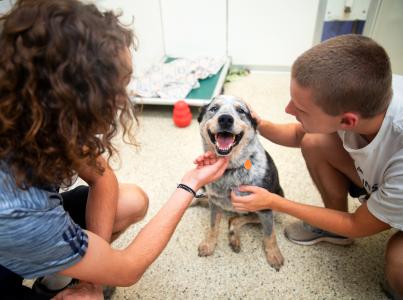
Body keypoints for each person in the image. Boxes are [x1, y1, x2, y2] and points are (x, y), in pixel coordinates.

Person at [0, 0, 229, 299]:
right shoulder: (20, 209)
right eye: (117, 88)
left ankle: (57, 275)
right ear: (76, 97)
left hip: (19, 237)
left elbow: (102, 178)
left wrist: (91, 278)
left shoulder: (34, 114)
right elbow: (128, 268)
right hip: (14, 239)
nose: (125, 99)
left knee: (131, 201)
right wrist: (191, 183)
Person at [231, 34, 403, 299]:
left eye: (300, 108)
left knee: (398, 262)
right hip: (386, 182)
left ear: (348, 121)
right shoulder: (369, 95)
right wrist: (258, 123)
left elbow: (359, 225)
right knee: (314, 141)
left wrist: (274, 202)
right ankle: (334, 230)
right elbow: (300, 134)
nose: (288, 109)